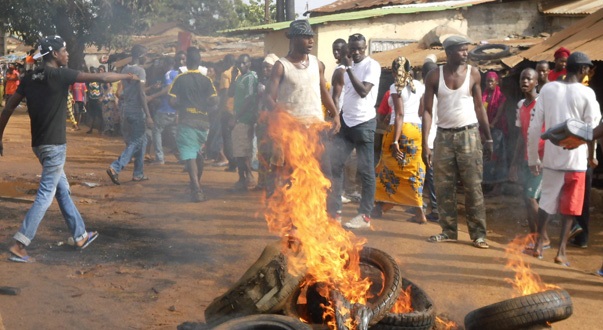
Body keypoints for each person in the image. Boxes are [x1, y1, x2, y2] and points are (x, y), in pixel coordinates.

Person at [0, 35, 138, 262]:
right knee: (46, 193)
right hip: (54, 145)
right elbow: (102, 76)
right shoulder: (61, 74)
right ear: (54, 54)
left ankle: (80, 234)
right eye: (64, 50)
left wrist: (0, 137)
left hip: (39, 144)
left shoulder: (29, 76)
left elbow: (7, 109)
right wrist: (126, 75)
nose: (67, 54)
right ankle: (20, 244)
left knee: (62, 190)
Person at [527, 51, 601, 266]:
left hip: (551, 158)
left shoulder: (548, 89)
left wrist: (533, 158)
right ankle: (561, 252)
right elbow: (592, 129)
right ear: (583, 70)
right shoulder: (587, 94)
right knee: (571, 207)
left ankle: (539, 246)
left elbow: (534, 127)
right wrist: (591, 156)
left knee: (547, 202)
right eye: (587, 68)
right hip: (576, 161)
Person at [422, 35, 494, 249]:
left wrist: (488, 137)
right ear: (448, 52)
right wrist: (426, 142)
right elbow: (427, 111)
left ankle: (478, 235)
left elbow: (480, 107)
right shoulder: (434, 76)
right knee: (444, 187)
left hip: (469, 135)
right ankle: (448, 231)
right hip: (443, 136)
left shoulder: (474, 73)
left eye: (466, 49)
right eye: (461, 50)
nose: (465, 53)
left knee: (473, 186)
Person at [265, 19, 340, 201]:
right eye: (306, 37)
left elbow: (324, 92)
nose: (311, 41)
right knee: (292, 177)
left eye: (311, 37)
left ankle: (324, 220)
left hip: (316, 129)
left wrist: (335, 114)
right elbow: (268, 98)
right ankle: (292, 223)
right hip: (292, 133)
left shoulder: (316, 63)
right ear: (294, 39)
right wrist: (286, 118)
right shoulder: (281, 66)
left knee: (324, 175)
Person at [329, 32, 380, 229]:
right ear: (348, 49)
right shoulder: (343, 68)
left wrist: (349, 70)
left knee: (366, 170)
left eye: (360, 48)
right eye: (353, 49)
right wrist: (336, 117)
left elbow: (364, 91)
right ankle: (336, 212)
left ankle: (365, 215)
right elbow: (339, 94)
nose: (356, 52)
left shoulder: (371, 66)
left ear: (365, 48)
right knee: (335, 164)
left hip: (364, 123)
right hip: (346, 123)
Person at [373, 57, 427, 223]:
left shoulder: (395, 86)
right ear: (410, 70)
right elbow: (422, 110)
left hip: (398, 131)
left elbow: (400, 114)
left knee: (389, 170)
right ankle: (419, 212)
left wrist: (395, 141)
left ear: (395, 71)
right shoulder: (419, 86)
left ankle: (382, 207)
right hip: (416, 131)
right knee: (412, 170)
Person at [168, 47, 218, 202]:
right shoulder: (207, 80)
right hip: (204, 123)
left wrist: (181, 104)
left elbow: (172, 101)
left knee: (190, 157)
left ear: (187, 62)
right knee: (197, 154)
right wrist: (205, 104)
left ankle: (196, 189)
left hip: (186, 121)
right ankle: (194, 184)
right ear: (200, 61)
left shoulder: (180, 78)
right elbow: (215, 100)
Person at [508, 68, 550, 250]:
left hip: (541, 159)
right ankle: (534, 238)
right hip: (527, 158)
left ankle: (544, 238)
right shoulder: (520, 105)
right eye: (522, 78)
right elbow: (520, 136)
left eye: (528, 79)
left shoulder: (543, 104)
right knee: (527, 199)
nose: (524, 81)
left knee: (531, 197)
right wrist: (514, 164)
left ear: (536, 83)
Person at [106, 44, 154, 185]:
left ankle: (138, 173)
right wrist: (149, 115)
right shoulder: (141, 71)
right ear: (141, 55)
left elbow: (123, 92)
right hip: (137, 111)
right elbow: (141, 94)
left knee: (142, 140)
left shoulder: (126, 69)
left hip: (125, 110)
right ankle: (115, 167)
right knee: (136, 141)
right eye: (146, 54)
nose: (148, 58)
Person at [230, 54, 259, 191]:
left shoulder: (251, 78)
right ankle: (243, 178)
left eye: (244, 63)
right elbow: (230, 93)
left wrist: (236, 118)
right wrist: (233, 77)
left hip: (245, 118)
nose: (241, 66)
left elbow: (249, 100)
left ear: (249, 63)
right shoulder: (240, 78)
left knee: (243, 151)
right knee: (239, 151)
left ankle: (247, 179)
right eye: (239, 63)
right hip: (239, 118)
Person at [147, 55, 180, 165]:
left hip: (165, 108)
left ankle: (159, 158)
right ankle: (185, 157)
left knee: (156, 132)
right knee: (175, 135)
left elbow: (167, 89)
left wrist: (153, 96)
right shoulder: (178, 74)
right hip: (175, 110)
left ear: (166, 64)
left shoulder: (168, 74)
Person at [481, 71, 508, 195]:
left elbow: (499, 113)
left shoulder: (501, 97)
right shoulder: (484, 96)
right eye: (488, 81)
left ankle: (498, 186)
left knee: (497, 157)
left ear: (496, 82)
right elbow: (481, 111)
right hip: (486, 130)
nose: (489, 83)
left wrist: (492, 124)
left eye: (492, 81)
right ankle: (487, 183)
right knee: (486, 156)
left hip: (497, 130)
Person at [421, 59, 439, 222]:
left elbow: (422, 113)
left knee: (429, 177)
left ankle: (435, 209)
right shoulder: (445, 92)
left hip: (429, 140)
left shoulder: (426, 94)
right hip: (440, 140)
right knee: (436, 177)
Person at [219, 54, 237, 172]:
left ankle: (232, 163)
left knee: (227, 138)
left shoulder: (225, 74)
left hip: (228, 109)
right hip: (239, 109)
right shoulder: (240, 72)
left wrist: (221, 109)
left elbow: (225, 93)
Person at [99, 65, 119, 135]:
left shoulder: (106, 79)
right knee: (106, 115)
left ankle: (110, 130)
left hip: (108, 99)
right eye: (99, 70)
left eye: (101, 70)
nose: (100, 71)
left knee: (108, 115)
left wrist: (103, 96)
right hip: (105, 99)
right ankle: (108, 129)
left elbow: (109, 88)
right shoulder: (102, 79)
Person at [86, 67, 103, 134]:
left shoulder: (99, 81)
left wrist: (101, 97)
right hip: (91, 99)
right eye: (92, 72)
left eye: (94, 72)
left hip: (97, 100)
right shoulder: (88, 81)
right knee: (92, 115)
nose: (92, 73)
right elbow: (87, 90)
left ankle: (100, 130)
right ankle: (91, 129)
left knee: (99, 115)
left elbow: (102, 90)